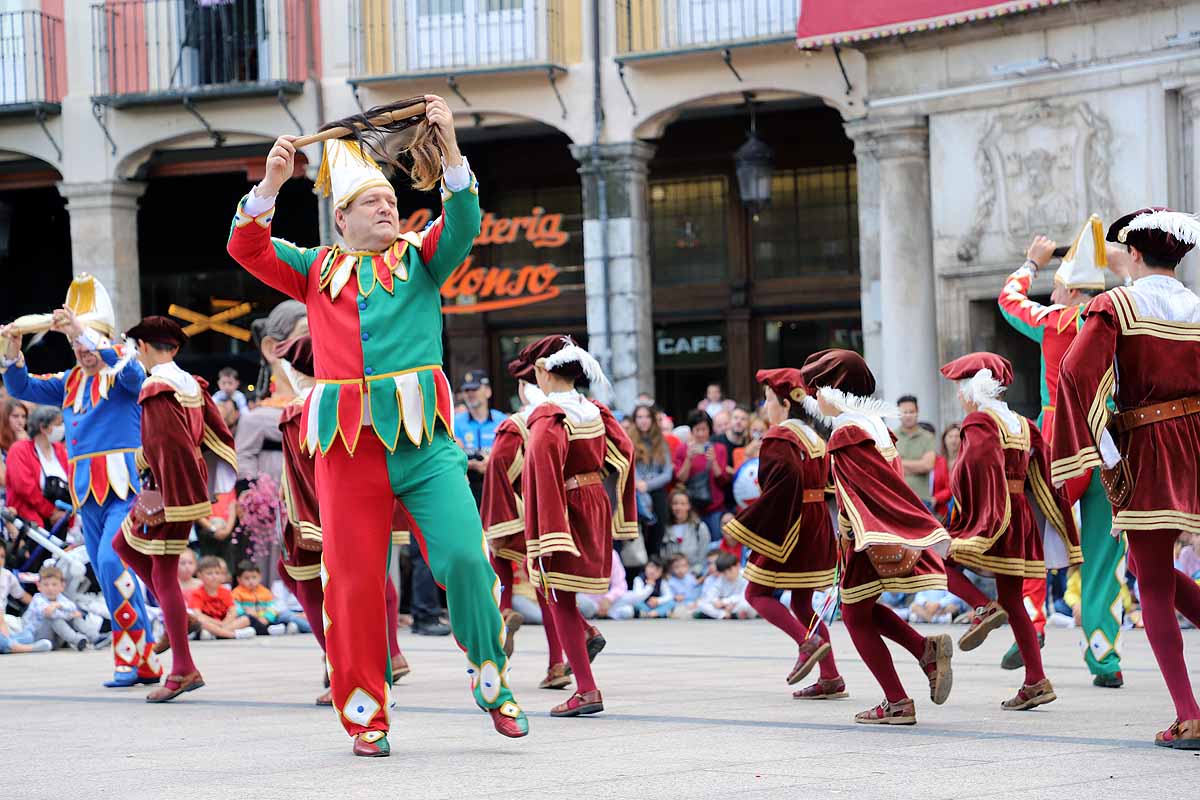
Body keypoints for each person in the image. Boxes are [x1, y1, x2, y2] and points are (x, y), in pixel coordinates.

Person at [226, 96, 527, 753]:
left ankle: (491, 677)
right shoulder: (313, 270)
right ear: (340, 218)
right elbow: (244, 246)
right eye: (372, 202)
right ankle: (366, 716)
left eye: (391, 199)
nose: (388, 207)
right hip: (345, 450)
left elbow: (465, 218)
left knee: (466, 559)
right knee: (356, 584)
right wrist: (273, 183)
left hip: (425, 445)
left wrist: (447, 143)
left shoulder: (423, 260)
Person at [1052, 207, 1200, 749]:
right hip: (1196, 444)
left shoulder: (1116, 303)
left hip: (1150, 447)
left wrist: (1103, 446)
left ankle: (1189, 714)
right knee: (1142, 563)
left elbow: (1072, 372)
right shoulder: (1198, 307)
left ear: (1134, 254)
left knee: (1154, 582)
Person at [1, 276, 161, 687]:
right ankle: (143, 661)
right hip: (87, 492)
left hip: (124, 487)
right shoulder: (71, 381)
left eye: (86, 343)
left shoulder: (123, 370)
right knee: (109, 574)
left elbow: (133, 374)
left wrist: (84, 333)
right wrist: (13, 350)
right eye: (75, 346)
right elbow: (21, 386)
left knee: (111, 561)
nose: (82, 352)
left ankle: (130, 660)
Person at [999, 218, 1125, 684]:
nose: (1050, 296)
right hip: (1111, 443)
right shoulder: (1120, 320)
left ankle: (1031, 623)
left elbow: (1008, 300)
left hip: (1059, 440)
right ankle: (1104, 657)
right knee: (1104, 556)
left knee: (1028, 534)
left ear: (1072, 293)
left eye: (1055, 289)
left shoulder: (1053, 322)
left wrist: (1032, 262)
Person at [801, 349, 953, 726]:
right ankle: (924, 650)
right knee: (864, 611)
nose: (815, 399)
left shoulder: (847, 431)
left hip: (864, 538)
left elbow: (865, 491)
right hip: (871, 533)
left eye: (817, 389)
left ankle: (897, 700)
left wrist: (854, 535)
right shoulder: (873, 424)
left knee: (853, 616)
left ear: (833, 389)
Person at [938, 353, 1082, 711]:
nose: (959, 395)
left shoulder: (978, 422)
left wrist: (968, 518)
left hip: (992, 514)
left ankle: (982, 608)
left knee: (937, 559)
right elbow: (1044, 476)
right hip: (1019, 518)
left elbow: (972, 470)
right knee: (1015, 601)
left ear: (973, 388)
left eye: (960, 387)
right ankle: (1036, 680)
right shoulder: (1021, 423)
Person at [273, 335, 407, 704]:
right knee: (371, 585)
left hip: (318, 515)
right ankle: (387, 658)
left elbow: (303, 476)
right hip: (359, 508)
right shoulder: (350, 401)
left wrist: (306, 525)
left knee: (319, 591)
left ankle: (345, 670)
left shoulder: (298, 410)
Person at [111, 316, 238, 703]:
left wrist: (144, 462)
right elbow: (214, 434)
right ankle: (175, 621)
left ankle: (182, 667)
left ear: (145, 348)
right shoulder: (192, 384)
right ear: (176, 348)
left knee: (163, 574)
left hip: (167, 491)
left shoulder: (156, 385)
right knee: (125, 546)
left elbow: (165, 445)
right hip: (176, 487)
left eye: (136, 348)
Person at [519, 335, 636, 718]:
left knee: (557, 596)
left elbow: (543, 473)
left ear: (541, 371)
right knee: (561, 595)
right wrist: (619, 509)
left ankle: (586, 689)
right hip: (594, 502)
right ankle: (586, 637)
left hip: (565, 509)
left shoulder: (549, 416)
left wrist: (548, 533)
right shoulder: (595, 409)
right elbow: (625, 453)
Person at [724, 368, 844, 699]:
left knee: (756, 595)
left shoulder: (779, 437)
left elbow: (780, 488)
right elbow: (828, 484)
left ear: (786, 405)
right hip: (818, 521)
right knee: (803, 603)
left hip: (791, 524)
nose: (766, 407)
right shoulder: (815, 438)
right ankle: (831, 676)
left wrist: (744, 525)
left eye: (767, 400)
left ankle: (807, 642)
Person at [480, 355, 576, 688]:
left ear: (525, 387)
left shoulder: (518, 423)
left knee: (500, 568)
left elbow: (498, 469)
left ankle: (505, 614)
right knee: (547, 591)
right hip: (558, 515)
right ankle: (557, 664)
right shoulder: (570, 416)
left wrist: (500, 517)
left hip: (519, 514)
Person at [4, 405, 70, 531]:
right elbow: (24, 487)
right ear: (43, 428)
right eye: (58, 424)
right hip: (31, 521)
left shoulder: (60, 450)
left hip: (61, 519)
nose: (62, 428)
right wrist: (51, 511)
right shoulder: (20, 450)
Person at [672, 410, 731, 541]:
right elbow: (680, 479)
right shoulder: (682, 449)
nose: (700, 434)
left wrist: (713, 461)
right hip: (691, 507)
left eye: (704, 429)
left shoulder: (719, 448)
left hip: (715, 507)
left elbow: (723, 480)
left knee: (716, 542)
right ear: (691, 431)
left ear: (709, 430)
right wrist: (688, 459)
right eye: (697, 430)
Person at [455, 369, 507, 505]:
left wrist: (491, 463)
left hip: (496, 485)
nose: (470, 394)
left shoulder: (502, 421)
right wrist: (470, 465)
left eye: (475, 389)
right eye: (466, 390)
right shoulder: (455, 422)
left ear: (488, 391)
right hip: (467, 487)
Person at [22, 564, 102, 650]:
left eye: (54, 584)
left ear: (62, 586)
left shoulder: (60, 598)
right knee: (55, 618)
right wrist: (69, 614)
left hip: (56, 638)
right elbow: (49, 613)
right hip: (38, 637)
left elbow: (72, 607)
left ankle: (95, 637)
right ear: (39, 586)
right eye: (46, 585)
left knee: (75, 618)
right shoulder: (37, 599)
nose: (50, 588)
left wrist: (58, 605)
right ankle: (77, 640)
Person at [631, 402, 673, 558]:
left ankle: (655, 563)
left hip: (656, 490)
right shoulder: (629, 441)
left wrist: (647, 485)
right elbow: (629, 466)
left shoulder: (661, 442)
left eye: (647, 417)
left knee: (658, 529)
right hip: (636, 493)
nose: (643, 420)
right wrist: (639, 484)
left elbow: (667, 473)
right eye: (640, 417)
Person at [188, 555, 255, 640]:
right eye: (209, 573)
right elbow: (198, 615)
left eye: (217, 573)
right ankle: (234, 635)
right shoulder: (197, 593)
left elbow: (233, 611)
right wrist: (217, 623)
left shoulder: (225, 592)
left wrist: (224, 623)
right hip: (209, 624)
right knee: (201, 622)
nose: (214, 576)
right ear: (200, 575)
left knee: (245, 619)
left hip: (225, 624)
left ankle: (216, 634)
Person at [895, 395, 936, 510]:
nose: (908, 416)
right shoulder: (890, 436)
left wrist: (900, 463)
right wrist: (918, 465)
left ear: (917, 412)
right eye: (905, 412)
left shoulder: (927, 437)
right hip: (897, 498)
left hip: (922, 499)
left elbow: (928, 465)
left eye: (911, 412)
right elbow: (888, 465)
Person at [661, 489, 710, 575]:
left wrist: (693, 574)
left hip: (695, 576)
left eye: (682, 504)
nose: (678, 507)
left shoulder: (699, 527)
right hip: (672, 577)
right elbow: (663, 555)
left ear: (689, 506)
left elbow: (704, 555)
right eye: (675, 503)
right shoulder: (666, 528)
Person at [697, 553, 754, 619]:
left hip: (738, 604)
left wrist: (725, 602)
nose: (728, 575)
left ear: (738, 566)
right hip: (725, 608)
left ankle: (731, 614)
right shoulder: (722, 578)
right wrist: (716, 601)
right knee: (701, 604)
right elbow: (710, 595)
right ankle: (725, 615)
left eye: (730, 570)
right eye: (724, 573)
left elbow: (745, 596)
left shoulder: (746, 575)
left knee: (746, 605)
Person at [931, 423, 960, 520]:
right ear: (944, 439)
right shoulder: (937, 461)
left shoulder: (965, 462)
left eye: (957, 436)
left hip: (958, 509)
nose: (953, 440)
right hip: (937, 510)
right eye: (950, 436)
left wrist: (937, 498)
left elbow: (953, 487)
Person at [213, 367, 249, 433]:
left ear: (237, 383)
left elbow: (244, 411)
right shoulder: (217, 396)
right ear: (219, 383)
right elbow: (211, 409)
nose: (227, 387)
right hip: (220, 423)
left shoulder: (239, 396)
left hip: (236, 425)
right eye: (223, 383)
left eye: (230, 383)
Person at [714, 404, 751, 470]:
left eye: (743, 419)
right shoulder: (715, 441)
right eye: (735, 418)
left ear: (748, 423)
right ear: (730, 420)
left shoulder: (749, 444)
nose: (739, 421)